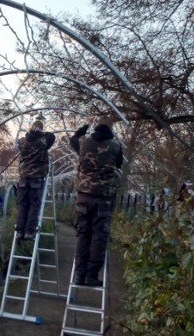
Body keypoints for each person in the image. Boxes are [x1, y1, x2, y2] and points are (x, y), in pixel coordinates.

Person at [69, 115, 123, 286]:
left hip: (83, 196)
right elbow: (119, 164)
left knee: (83, 235)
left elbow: (73, 138)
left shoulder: (84, 142)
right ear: (111, 128)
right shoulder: (115, 146)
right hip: (104, 198)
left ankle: (79, 275)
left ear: (97, 126)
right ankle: (91, 276)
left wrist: (85, 124)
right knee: (99, 237)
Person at [16, 120, 56, 240]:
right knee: (34, 205)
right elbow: (52, 136)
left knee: (22, 204)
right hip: (36, 178)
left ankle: (19, 230)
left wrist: (31, 132)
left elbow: (19, 144)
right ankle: (29, 231)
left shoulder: (22, 141)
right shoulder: (43, 141)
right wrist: (40, 133)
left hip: (23, 178)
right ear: (41, 130)